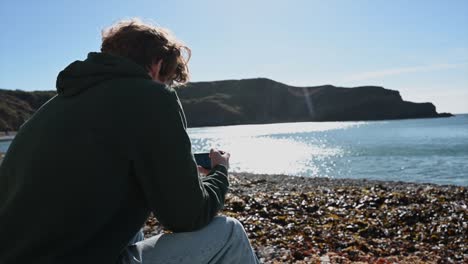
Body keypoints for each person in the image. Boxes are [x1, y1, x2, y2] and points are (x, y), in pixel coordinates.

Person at [0, 18, 259, 264]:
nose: (167, 85)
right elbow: (187, 216)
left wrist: (178, 167)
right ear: (157, 65)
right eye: (168, 79)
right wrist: (220, 172)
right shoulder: (153, 97)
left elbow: (96, 166)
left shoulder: (56, 106)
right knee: (229, 234)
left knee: (130, 228)